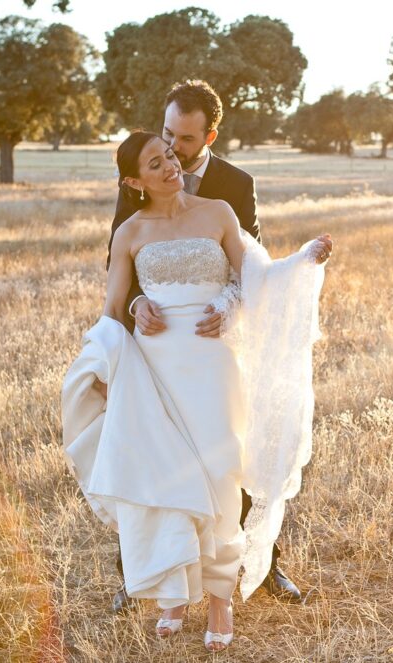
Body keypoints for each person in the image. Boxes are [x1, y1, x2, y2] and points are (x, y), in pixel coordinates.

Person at [62, 131, 331, 651]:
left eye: (170, 158)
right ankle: (173, 594)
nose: (170, 168)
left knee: (217, 475)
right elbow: (114, 306)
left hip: (212, 365)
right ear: (132, 181)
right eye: (155, 164)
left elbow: (257, 278)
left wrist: (301, 262)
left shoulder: (219, 213)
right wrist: (138, 309)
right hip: (154, 369)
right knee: (166, 479)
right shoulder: (129, 232)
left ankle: (220, 598)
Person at [106, 80, 307, 610]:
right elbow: (121, 263)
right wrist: (134, 306)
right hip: (156, 346)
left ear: (210, 134)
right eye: (167, 134)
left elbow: (252, 265)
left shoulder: (234, 187)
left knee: (227, 452)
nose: (172, 150)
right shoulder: (141, 174)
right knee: (152, 450)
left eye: (184, 140)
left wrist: (232, 306)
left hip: (213, 342)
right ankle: (142, 573)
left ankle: (257, 567)